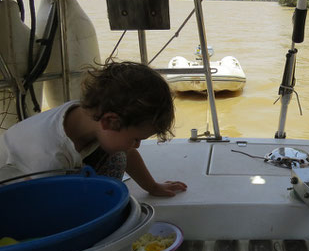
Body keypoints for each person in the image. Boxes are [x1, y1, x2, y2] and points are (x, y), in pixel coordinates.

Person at [0, 59, 187, 197]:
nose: (137, 145)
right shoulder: (50, 158)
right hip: (15, 190)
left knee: (120, 153)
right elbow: (49, 209)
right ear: (109, 121)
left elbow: (129, 153)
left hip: (50, 173)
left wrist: (152, 187)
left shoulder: (89, 115)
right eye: (136, 138)